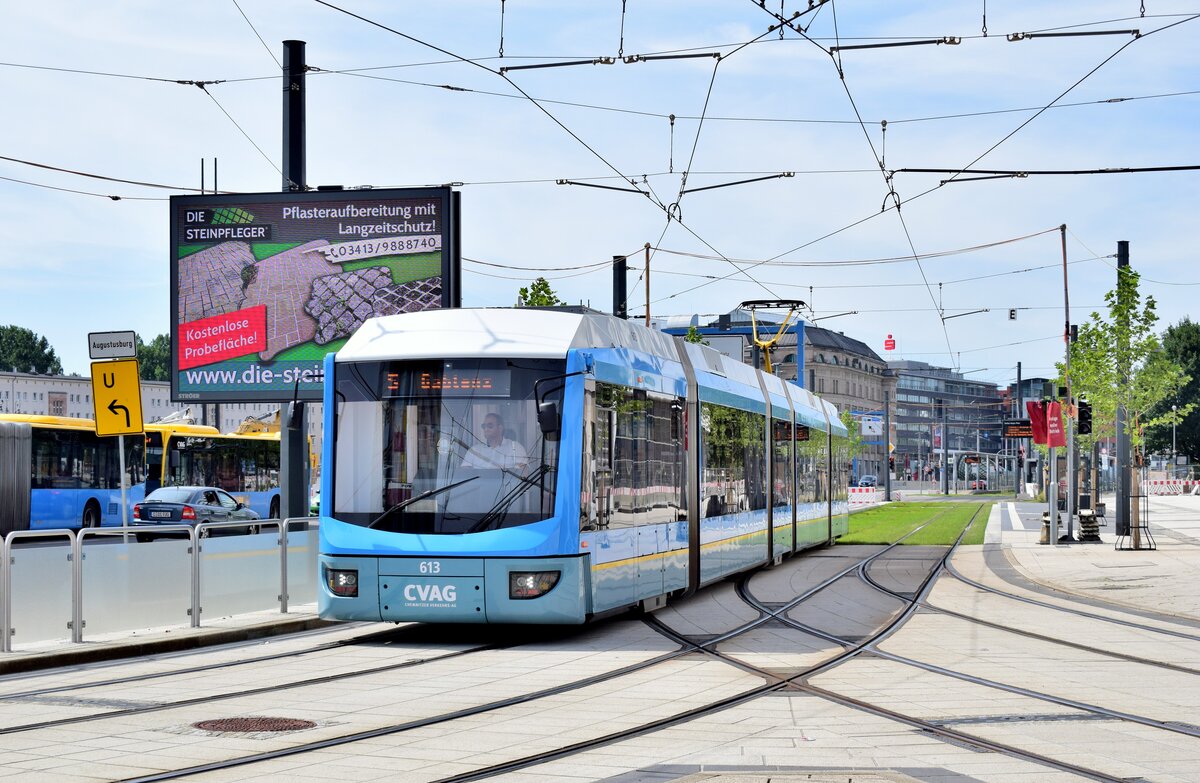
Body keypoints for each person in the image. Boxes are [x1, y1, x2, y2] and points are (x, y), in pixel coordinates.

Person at [461, 412, 530, 471]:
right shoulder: (474, 450)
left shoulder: (515, 447)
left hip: (509, 486)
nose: (486, 429)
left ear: (500, 428)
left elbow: (524, 472)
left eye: (490, 426)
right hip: (479, 486)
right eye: (484, 426)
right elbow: (464, 473)